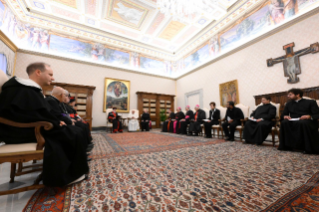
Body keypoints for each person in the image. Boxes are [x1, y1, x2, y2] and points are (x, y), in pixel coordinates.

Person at [0, 62, 88, 186]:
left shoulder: (27, 88)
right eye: (50, 74)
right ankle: (67, 175)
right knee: (73, 132)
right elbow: (28, 115)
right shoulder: (23, 89)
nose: (53, 78)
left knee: (73, 130)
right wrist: (56, 123)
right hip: (20, 132)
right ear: (38, 72)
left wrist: (57, 122)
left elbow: (37, 113)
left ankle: (73, 170)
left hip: (29, 128)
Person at [278, 88, 319, 154]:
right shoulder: (288, 104)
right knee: (284, 122)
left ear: (297, 95)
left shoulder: (311, 102)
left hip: (307, 121)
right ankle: (287, 146)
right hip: (293, 120)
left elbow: (317, 114)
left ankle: (306, 148)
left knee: (302, 123)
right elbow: (283, 114)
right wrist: (285, 116)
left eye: (290, 94)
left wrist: (309, 116)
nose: (288, 96)